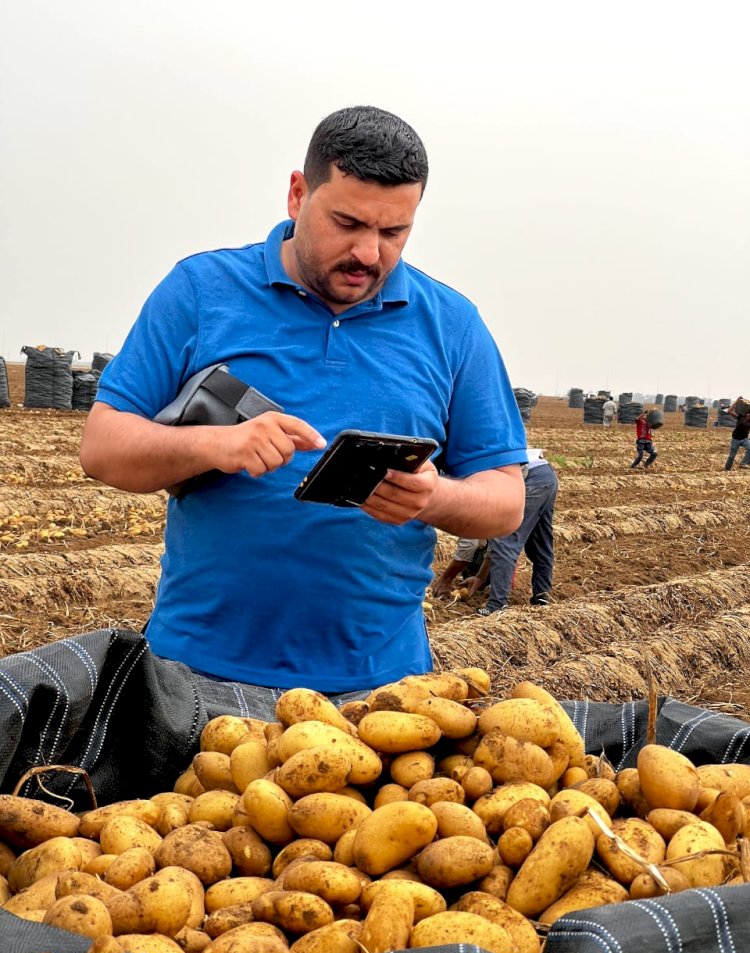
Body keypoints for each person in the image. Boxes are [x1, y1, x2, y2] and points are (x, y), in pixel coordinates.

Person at [79, 106, 528, 699]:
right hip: (193, 676)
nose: (368, 253)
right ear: (297, 194)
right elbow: (102, 449)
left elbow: (506, 499)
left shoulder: (453, 324)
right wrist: (214, 444)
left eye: (393, 232)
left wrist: (434, 496)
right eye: (347, 223)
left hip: (381, 691)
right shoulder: (200, 290)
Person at [476, 449, 558, 615]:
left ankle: (497, 605)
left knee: (504, 540)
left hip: (531, 479)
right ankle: (541, 595)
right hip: (546, 473)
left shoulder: (468, 472)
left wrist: (478, 575)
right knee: (540, 540)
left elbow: (490, 535)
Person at [724, 400, 750, 471]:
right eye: (748, 414)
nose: (748, 415)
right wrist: (736, 402)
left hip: (744, 439)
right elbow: (729, 411)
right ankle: (727, 469)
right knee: (732, 456)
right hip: (735, 439)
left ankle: (743, 463)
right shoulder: (740, 417)